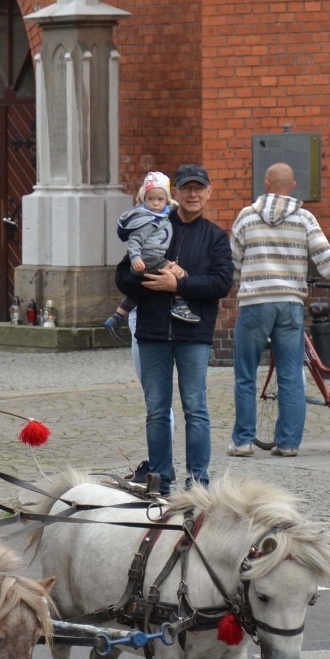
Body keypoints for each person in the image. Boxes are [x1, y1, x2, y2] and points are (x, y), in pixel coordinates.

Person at [227, 162, 330, 458]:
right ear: (293, 186)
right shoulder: (304, 218)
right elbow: (325, 255)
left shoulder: (246, 216)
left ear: (266, 184)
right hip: (290, 304)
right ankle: (288, 443)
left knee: (245, 374)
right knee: (291, 375)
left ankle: (243, 441)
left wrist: (249, 280)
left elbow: (234, 260)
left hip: (255, 303)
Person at [115, 163, 233, 496]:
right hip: (153, 332)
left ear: (208, 193)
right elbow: (122, 278)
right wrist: (148, 276)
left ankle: (198, 482)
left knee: (196, 409)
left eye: (199, 188)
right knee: (156, 411)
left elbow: (221, 283)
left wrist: (179, 284)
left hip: (194, 334)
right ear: (175, 193)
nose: (193, 194)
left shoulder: (215, 237)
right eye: (187, 188)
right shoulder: (152, 225)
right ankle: (160, 479)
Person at [117, 171, 197, 325]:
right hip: (149, 259)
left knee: (143, 289)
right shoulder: (146, 220)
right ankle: (180, 305)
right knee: (180, 273)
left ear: (167, 200)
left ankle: (118, 315)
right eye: (151, 199)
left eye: (160, 199)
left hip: (151, 260)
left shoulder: (163, 216)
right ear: (143, 199)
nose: (155, 203)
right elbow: (135, 241)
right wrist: (135, 258)